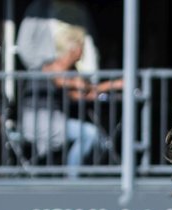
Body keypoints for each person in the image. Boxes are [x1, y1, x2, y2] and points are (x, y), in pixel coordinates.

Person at [16, 1, 121, 177]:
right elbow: (73, 84)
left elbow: (83, 93)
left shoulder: (62, 73)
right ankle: (72, 179)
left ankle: (75, 174)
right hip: (37, 122)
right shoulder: (49, 69)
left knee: (100, 140)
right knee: (89, 135)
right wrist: (112, 84)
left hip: (54, 120)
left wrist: (114, 85)